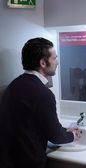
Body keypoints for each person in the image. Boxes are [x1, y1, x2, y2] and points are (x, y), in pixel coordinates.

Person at [0, 38, 81, 168]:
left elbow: (35, 123)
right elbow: (55, 136)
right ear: (43, 63)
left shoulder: (13, 85)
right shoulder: (43, 93)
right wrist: (72, 135)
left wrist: (65, 129)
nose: (57, 62)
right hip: (29, 162)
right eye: (54, 58)